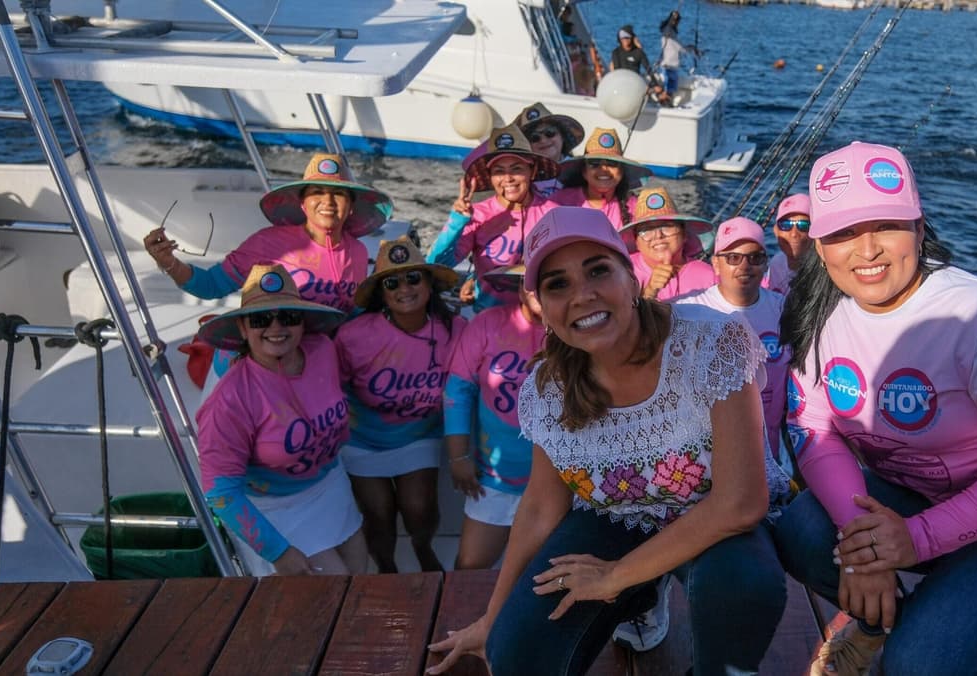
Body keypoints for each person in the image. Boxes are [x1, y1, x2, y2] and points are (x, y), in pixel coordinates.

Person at [427, 207, 791, 676]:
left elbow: (741, 503)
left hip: (712, 519)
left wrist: (614, 576)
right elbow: (541, 505)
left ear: (632, 279)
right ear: (540, 304)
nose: (582, 295)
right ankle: (642, 594)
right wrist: (493, 619)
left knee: (744, 587)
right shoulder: (546, 388)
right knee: (516, 658)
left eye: (598, 270)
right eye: (557, 284)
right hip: (613, 521)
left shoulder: (709, 340)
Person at [774, 142, 977, 675]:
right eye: (844, 233)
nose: (867, 250)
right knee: (802, 527)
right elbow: (814, 428)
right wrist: (864, 550)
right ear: (820, 247)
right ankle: (928, 624)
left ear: (920, 228)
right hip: (917, 504)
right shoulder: (817, 312)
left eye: (887, 226)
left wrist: (911, 540)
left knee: (916, 664)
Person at [196, 263, 368, 575]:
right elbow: (220, 493)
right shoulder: (229, 400)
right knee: (335, 588)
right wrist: (278, 552)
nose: (276, 327)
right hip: (273, 508)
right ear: (243, 329)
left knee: (359, 570)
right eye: (261, 319)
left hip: (330, 485)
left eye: (288, 316)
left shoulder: (324, 350)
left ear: (303, 323)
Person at [333, 238, 465, 573]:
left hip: (420, 433)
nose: (404, 288)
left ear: (428, 283)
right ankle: (387, 567)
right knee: (378, 512)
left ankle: (422, 547)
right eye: (392, 282)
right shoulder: (354, 335)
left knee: (419, 506)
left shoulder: (456, 329)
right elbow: (329, 383)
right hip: (362, 438)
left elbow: (473, 384)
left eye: (413, 278)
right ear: (382, 293)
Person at [143, 152, 388, 314]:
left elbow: (353, 314)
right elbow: (210, 286)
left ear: (351, 206)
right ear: (302, 203)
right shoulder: (268, 243)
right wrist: (168, 263)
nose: (328, 201)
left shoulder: (358, 251)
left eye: (339, 194)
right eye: (317, 192)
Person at [442, 263, 546, 570]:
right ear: (518, 288)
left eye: (550, 282)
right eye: (530, 282)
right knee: (469, 566)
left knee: (541, 572)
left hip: (557, 483)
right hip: (495, 477)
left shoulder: (578, 332)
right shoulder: (488, 324)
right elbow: (457, 392)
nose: (539, 290)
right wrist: (458, 458)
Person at [679, 217, 790, 467]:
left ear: (765, 264)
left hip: (770, 457)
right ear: (715, 264)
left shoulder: (783, 309)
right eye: (733, 258)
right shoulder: (686, 310)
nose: (745, 266)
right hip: (707, 459)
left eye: (755, 257)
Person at [427, 125, 559, 311]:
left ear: (533, 171)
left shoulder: (555, 215)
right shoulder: (478, 215)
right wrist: (457, 220)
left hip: (540, 319)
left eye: (516, 168)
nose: (508, 178)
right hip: (488, 319)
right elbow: (436, 265)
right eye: (498, 171)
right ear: (490, 177)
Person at [620, 186, 716, 302]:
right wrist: (649, 292)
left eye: (667, 226)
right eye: (646, 230)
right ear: (636, 242)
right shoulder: (622, 272)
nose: (658, 236)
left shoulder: (708, 275)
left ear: (684, 234)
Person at [550, 127, 651, 230]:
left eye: (612, 163)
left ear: (622, 171)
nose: (604, 169)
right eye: (594, 163)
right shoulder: (559, 201)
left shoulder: (636, 206)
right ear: (584, 171)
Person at [513, 102, 586, 198]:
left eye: (550, 133)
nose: (543, 140)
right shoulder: (520, 176)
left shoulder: (581, 168)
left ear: (562, 136)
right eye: (534, 138)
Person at [764, 193, 811, 295]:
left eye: (803, 225)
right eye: (785, 225)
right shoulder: (776, 263)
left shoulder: (826, 271)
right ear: (776, 231)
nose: (794, 234)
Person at [658, 10, 695, 101]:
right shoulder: (667, 34)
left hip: (673, 66)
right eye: (676, 20)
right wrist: (691, 48)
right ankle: (663, 101)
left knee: (671, 89)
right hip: (667, 66)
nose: (677, 23)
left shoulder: (672, 36)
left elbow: (680, 47)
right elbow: (682, 49)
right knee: (666, 89)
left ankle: (668, 101)